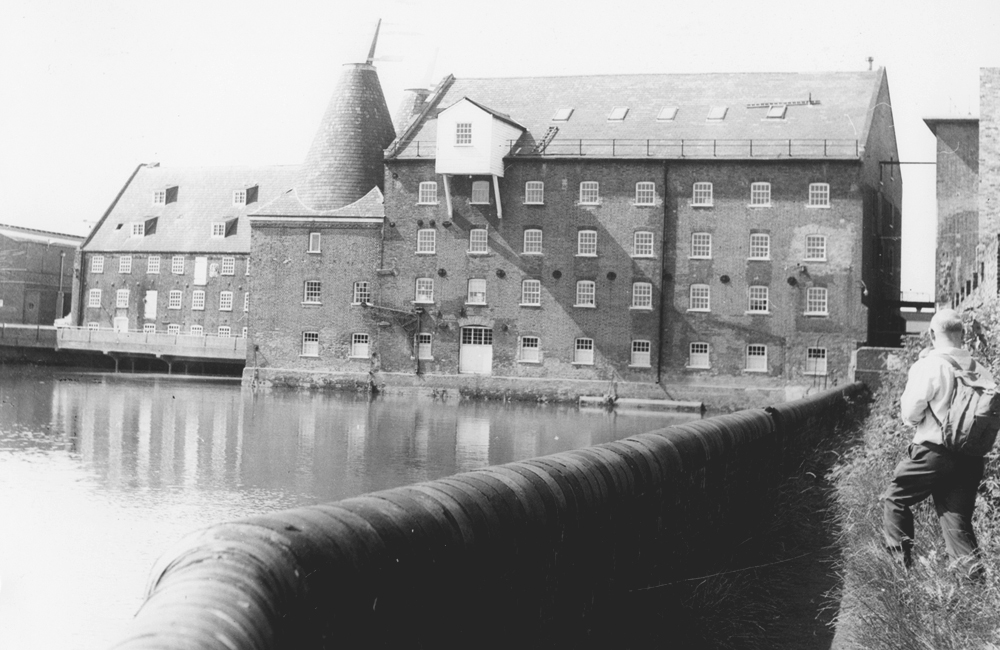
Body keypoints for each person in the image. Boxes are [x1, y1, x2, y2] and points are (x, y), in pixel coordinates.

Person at [882, 308, 992, 577]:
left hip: (933, 454)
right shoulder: (982, 370)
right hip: (971, 458)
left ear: (932, 334)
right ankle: (974, 591)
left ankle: (900, 575)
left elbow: (909, 414)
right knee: (956, 523)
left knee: (895, 498)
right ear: (963, 334)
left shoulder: (929, 366)